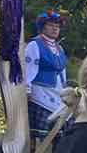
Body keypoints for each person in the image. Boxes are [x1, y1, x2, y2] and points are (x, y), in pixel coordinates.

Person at [24, 10, 68, 145]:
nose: (55, 28)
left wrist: (65, 90)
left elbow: (62, 72)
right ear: (43, 26)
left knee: (64, 124)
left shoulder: (59, 48)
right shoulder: (34, 44)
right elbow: (28, 69)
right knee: (40, 132)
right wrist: (27, 90)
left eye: (58, 26)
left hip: (57, 92)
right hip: (40, 93)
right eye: (51, 25)